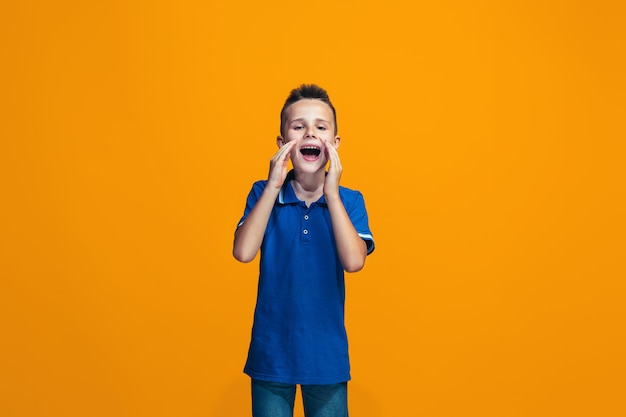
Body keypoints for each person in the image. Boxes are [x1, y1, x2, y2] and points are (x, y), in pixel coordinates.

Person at [233, 84, 375, 417]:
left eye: (321, 127)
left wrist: (333, 193)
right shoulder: (263, 194)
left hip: (326, 357)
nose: (310, 132)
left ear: (335, 145)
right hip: (271, 354)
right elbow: (243, 252)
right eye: (299, 126)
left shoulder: (349, 200)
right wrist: (272, 185)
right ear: (283, 144)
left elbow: (354, 262)